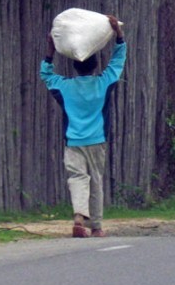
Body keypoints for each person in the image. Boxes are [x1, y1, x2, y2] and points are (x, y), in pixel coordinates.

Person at [40, 15, 126, 238]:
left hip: (73, 142)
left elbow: (46, 75)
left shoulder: (65, 87)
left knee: (77, 178)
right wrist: (119, 35)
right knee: (96, 181)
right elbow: (118, 63)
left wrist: (50, 50)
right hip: (97, 141)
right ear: (96, 64)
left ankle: (79, 216)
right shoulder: (104, 83)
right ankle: (96, 227)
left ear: (74, 66)